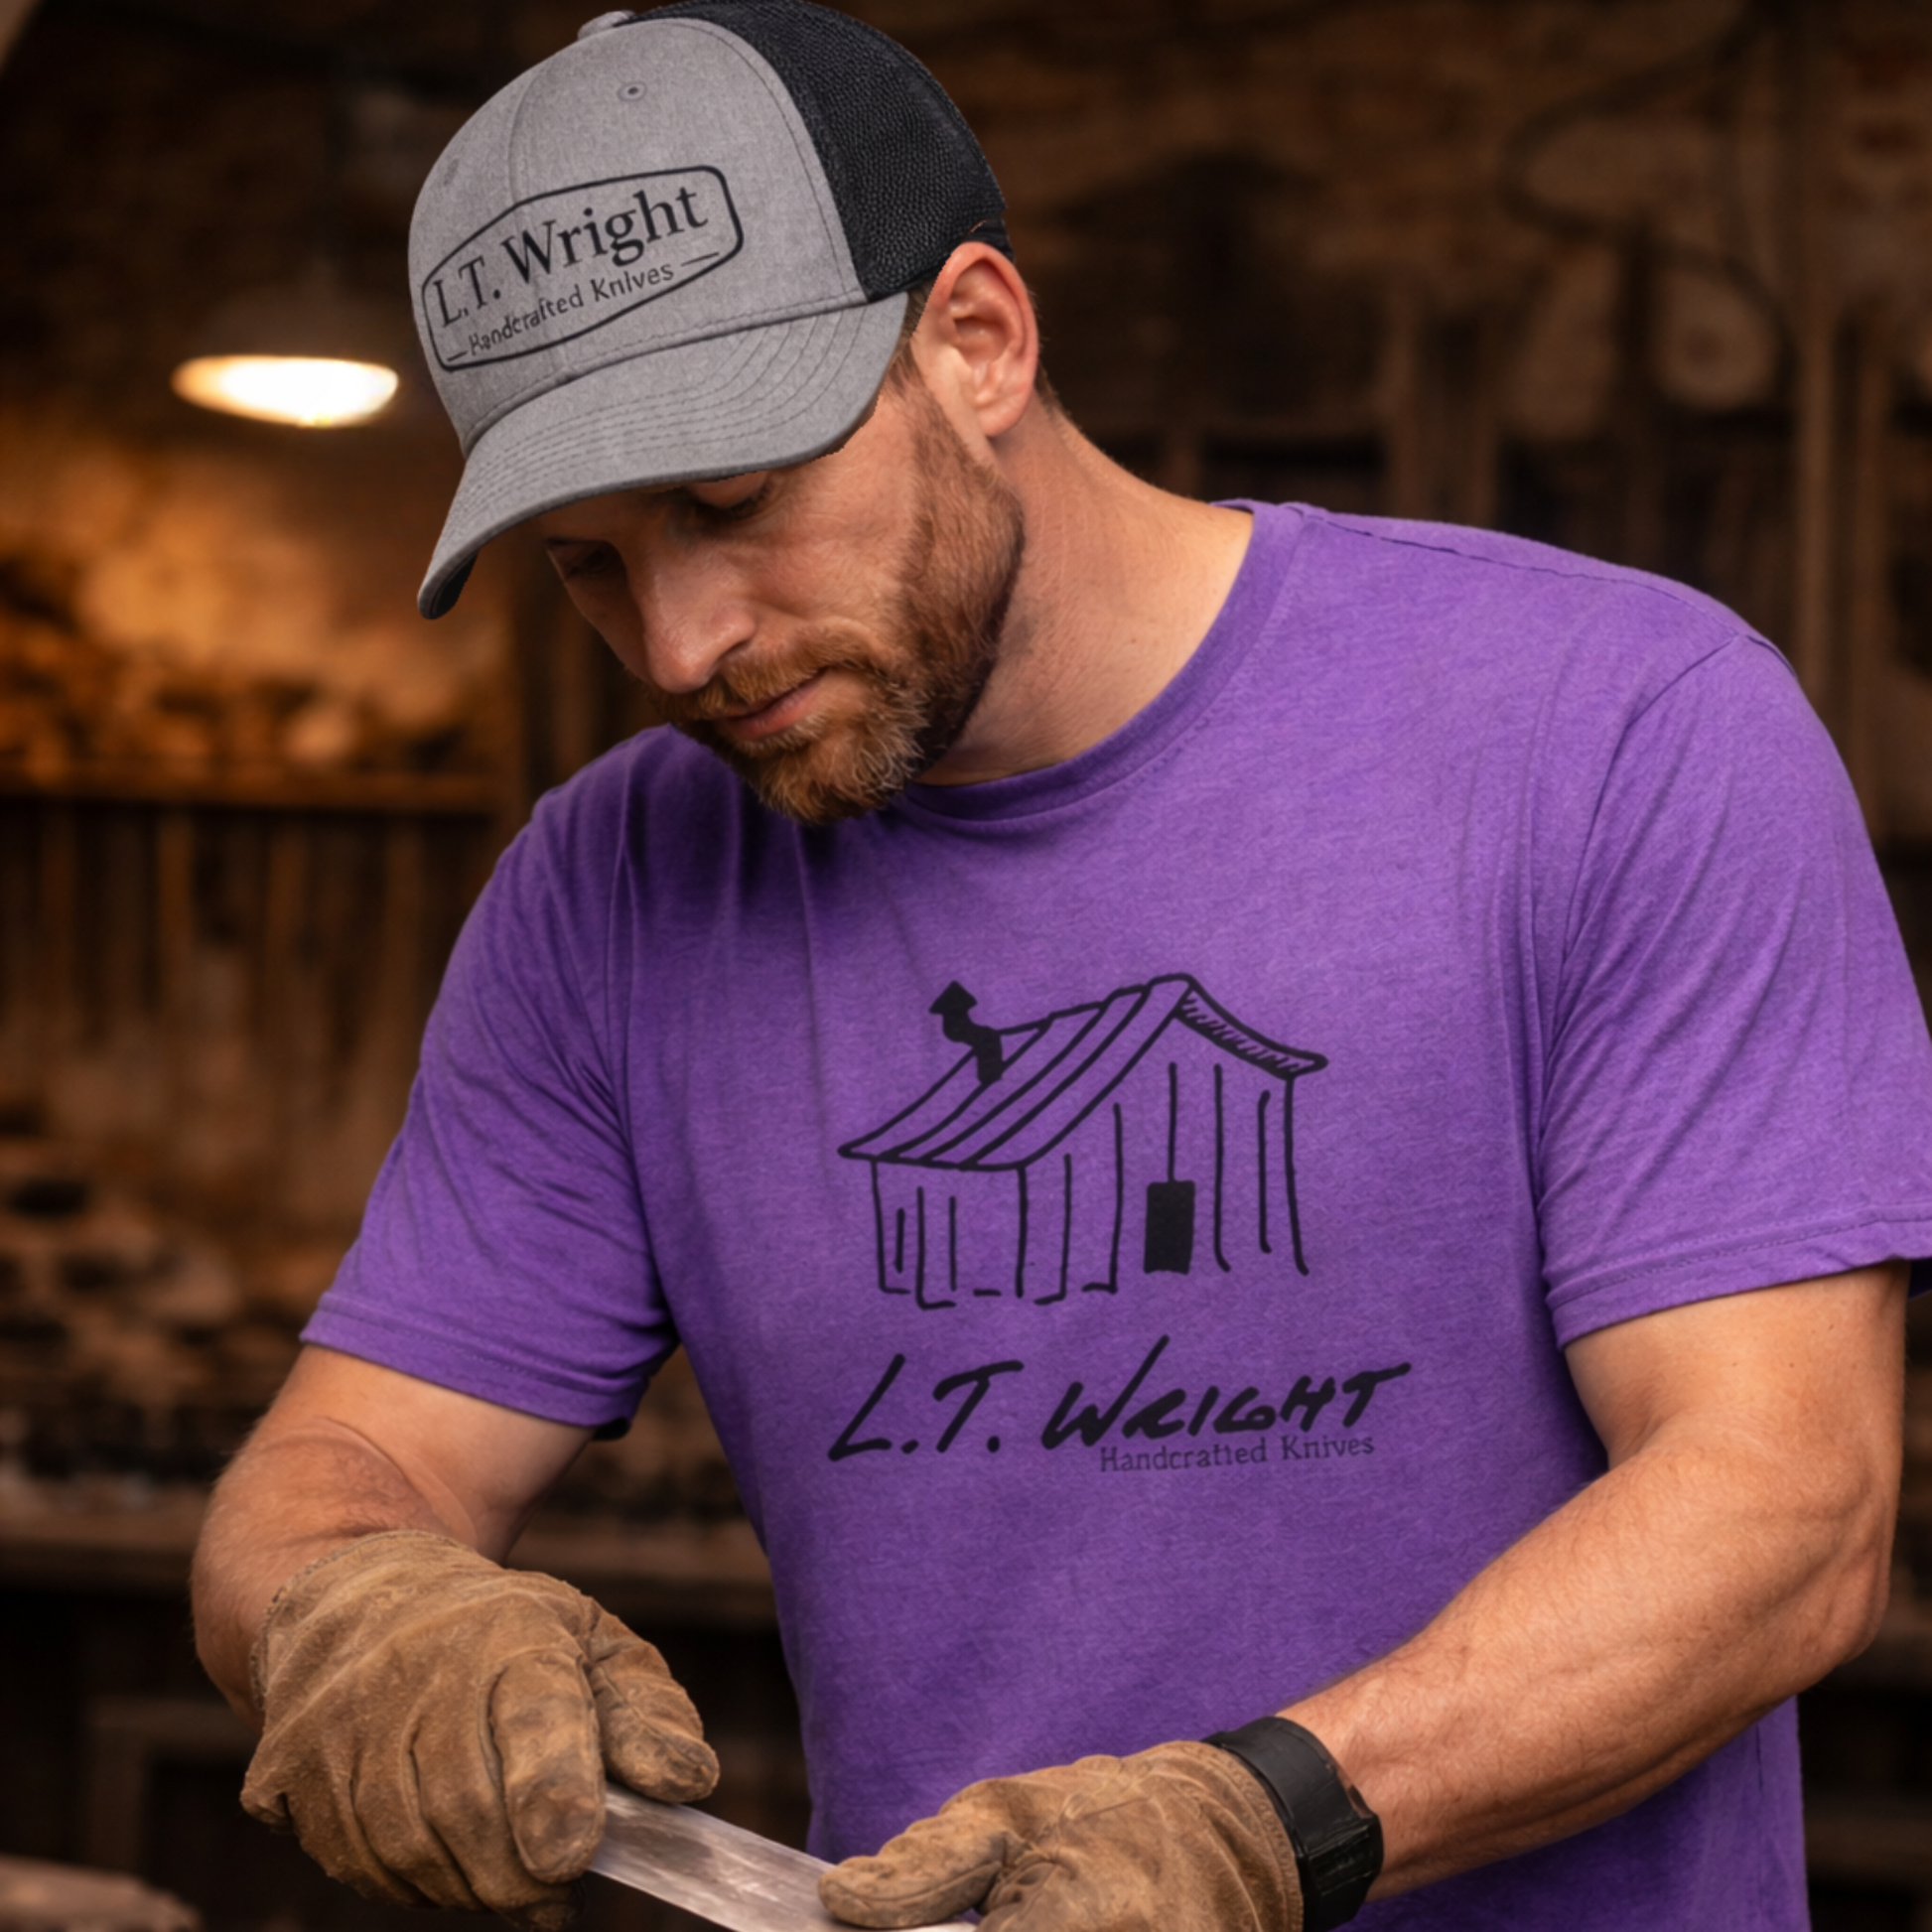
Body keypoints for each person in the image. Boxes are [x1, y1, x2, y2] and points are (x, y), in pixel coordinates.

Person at [191, 6, 1932, 1932]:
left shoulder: (1619, 732)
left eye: (727, 502)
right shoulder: (608, 890)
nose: (680, 645)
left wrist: (1262, 1819)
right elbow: (342, 1458)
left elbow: (1787, 1505)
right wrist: (350, 1601)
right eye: (587, 562)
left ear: (976, 340)